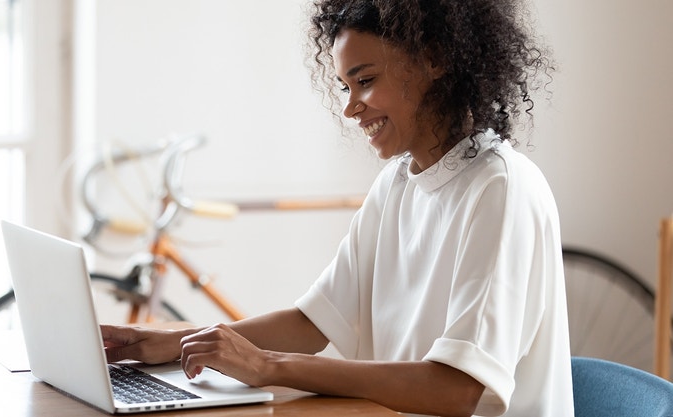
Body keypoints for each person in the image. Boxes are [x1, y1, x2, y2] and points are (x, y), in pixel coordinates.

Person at [101, 0, 573, 416]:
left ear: (434, 59)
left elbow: (457, 390)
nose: (351, 108)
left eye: (365, 81)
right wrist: (177, 342)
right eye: (346, 87)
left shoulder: (500, 188)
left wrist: (269, 367)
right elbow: (314, 321)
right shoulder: (397, 185)